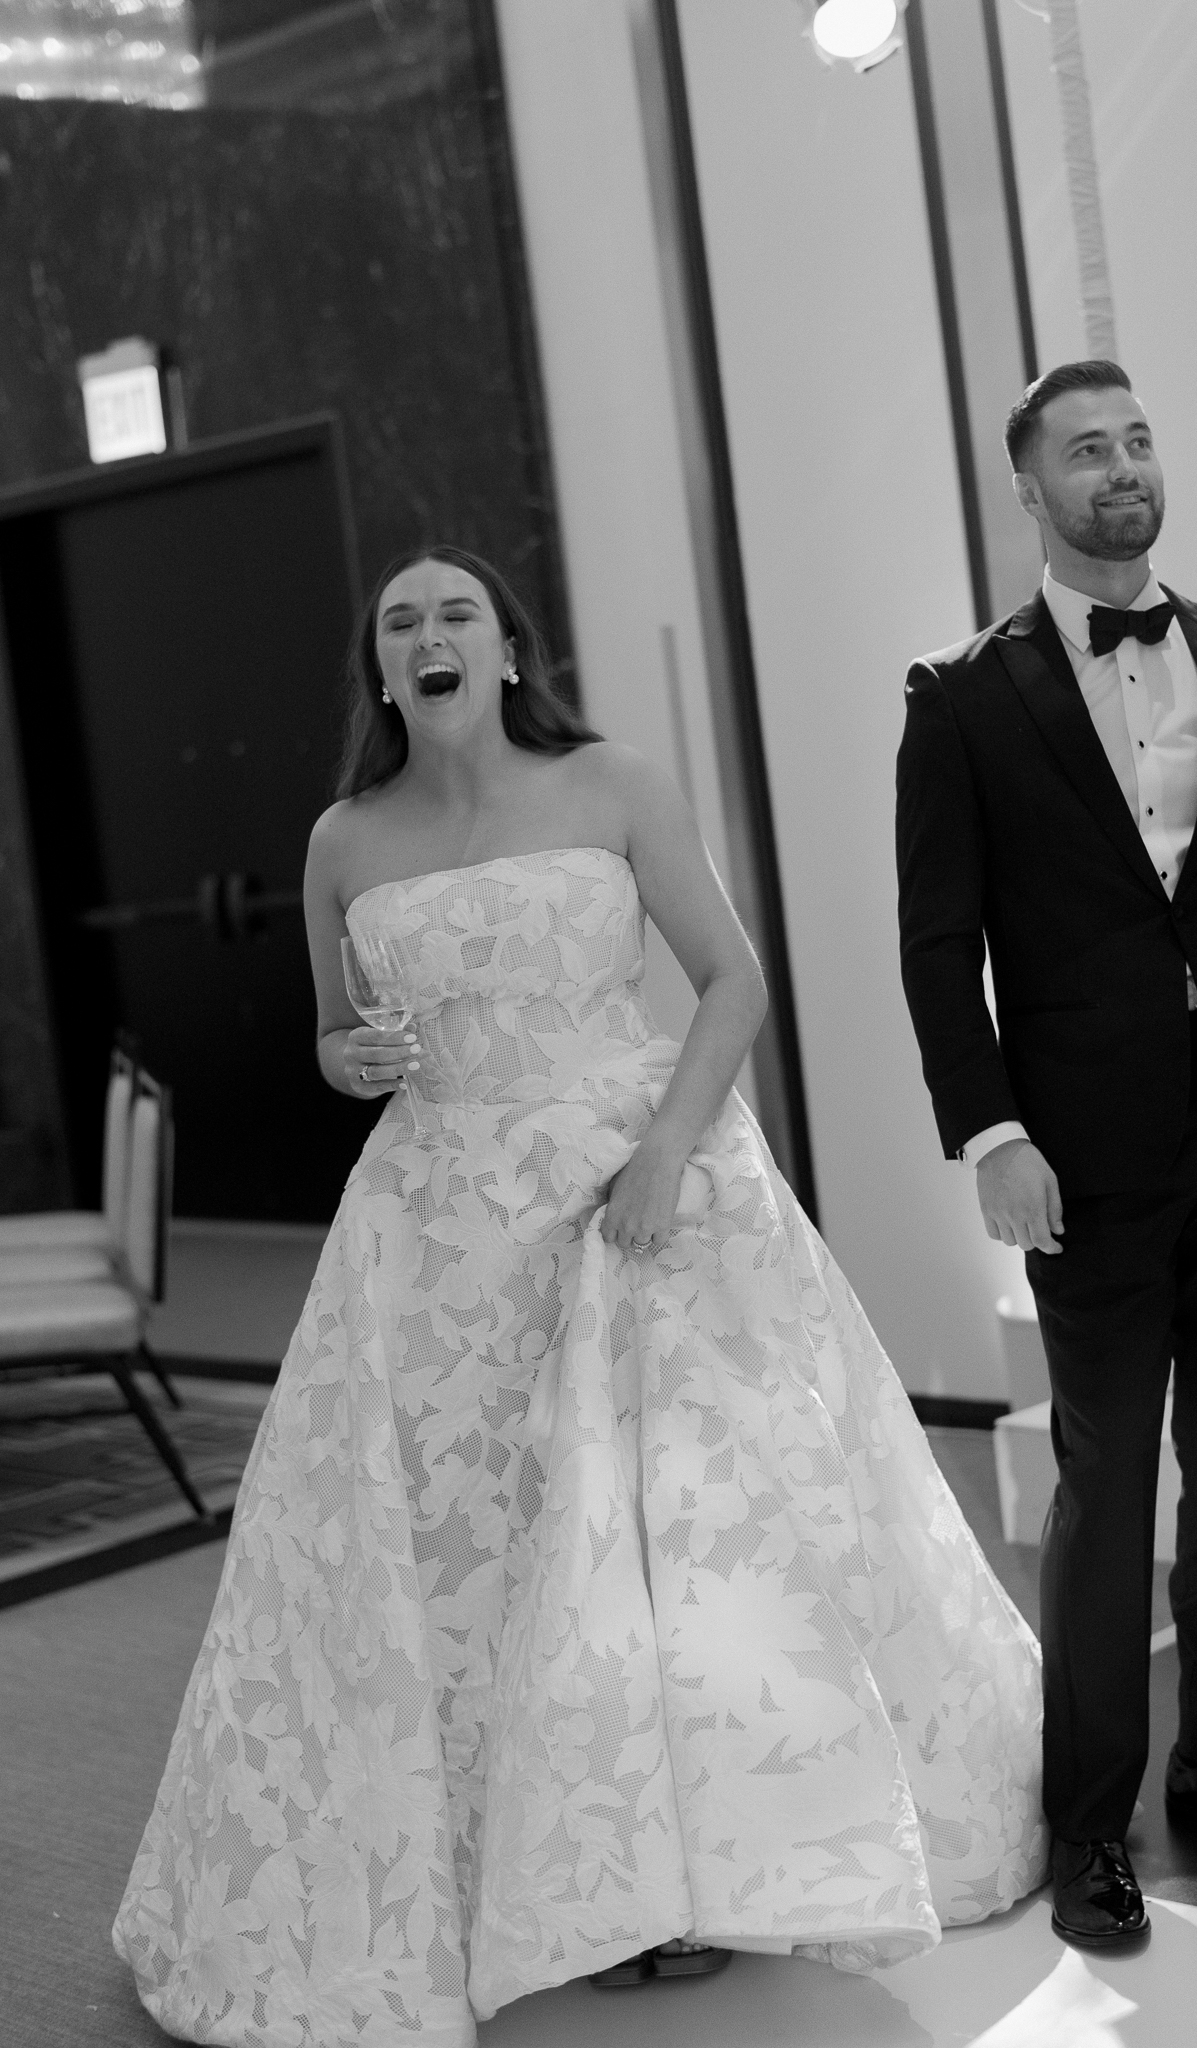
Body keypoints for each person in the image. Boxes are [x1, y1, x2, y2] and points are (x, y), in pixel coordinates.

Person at [114, 545, 1047, 2046]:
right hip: (436, 1229)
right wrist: (340, 1061)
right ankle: (562, 1885)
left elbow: (730, 980)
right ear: (381, 669)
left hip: (637, 1190)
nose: (427, 634)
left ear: (504, 649)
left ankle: (702, 1874)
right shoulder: (341, 838)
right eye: (399, 620)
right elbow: (335, 1037)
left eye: (455, 613)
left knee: (680, 1541)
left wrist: (667, 1151)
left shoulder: (612, 782)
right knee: (488, 1551)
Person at [896, 360, 1197, 1953]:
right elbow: (934, 942)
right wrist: (993, 1132)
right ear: (1028, 489)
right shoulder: (958, 695)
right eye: (1084, 451)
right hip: (1079, 1157)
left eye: (1136, 440)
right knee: (1106, 1483)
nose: (1121, 468)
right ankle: (1089, 1816)